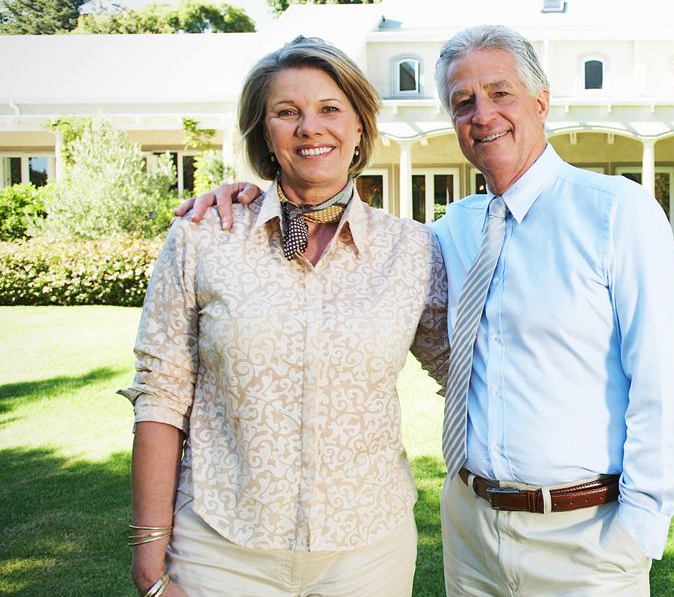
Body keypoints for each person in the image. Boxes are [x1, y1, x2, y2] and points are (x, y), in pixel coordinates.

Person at [184, 24, 674, 595]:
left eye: (500, 93)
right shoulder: (451, 233)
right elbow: (330, 229)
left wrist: (639, 529)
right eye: (463, 102)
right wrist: (250, 197)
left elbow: (662, 381)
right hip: (471, 531)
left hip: (586, 535)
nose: (483, 114)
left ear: (541, 102)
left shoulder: (616, 214)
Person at [121, 37, 449, 597]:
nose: (310, 128)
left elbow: (464, 368)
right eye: (287, 112)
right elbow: (161, 393)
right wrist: (150, 555)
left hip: (367, 551)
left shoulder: (414, 251)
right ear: (264, 132)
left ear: (359, 126)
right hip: (221, 545)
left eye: (329, 109)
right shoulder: (204, 236)